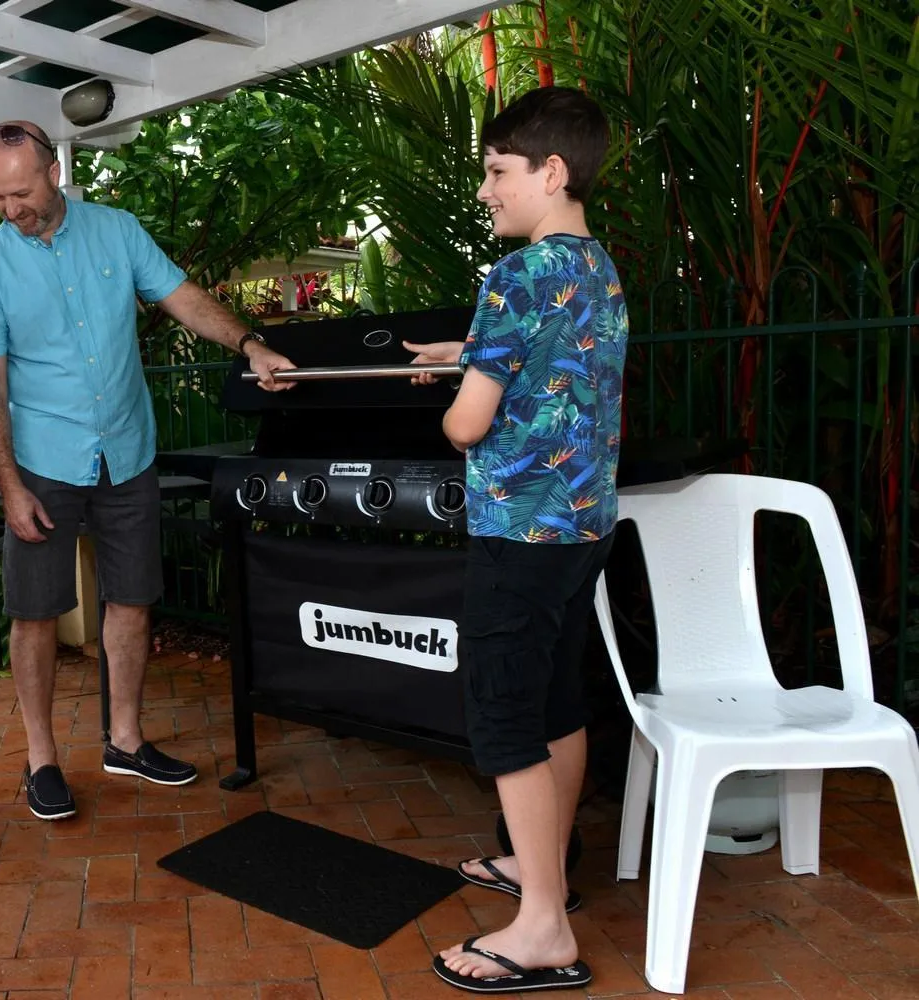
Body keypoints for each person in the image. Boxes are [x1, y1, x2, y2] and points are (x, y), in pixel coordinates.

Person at [0, 120, 296, 821]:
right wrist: (12, 486)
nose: (11, 208)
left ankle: (125, 740)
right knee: (35, 614)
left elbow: (183, 297)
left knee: (133, 599)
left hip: (127, 453)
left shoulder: (117, 230)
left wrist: (250, 342)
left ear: (54, 173)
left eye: (21, 191)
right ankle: (42, 759)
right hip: (44, 465)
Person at [405, 86, 626, 993]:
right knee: (554, 703)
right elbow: (552, 361)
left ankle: (541, 929)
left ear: (551, 171)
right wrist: (472, 352)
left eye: (499, 172)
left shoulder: (514, 276)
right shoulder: (597, 267)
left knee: (502, 716)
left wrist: (458, 390)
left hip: (518, 530)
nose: (487, 190)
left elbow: (467, 428)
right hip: (581, 530)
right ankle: (550, 874)